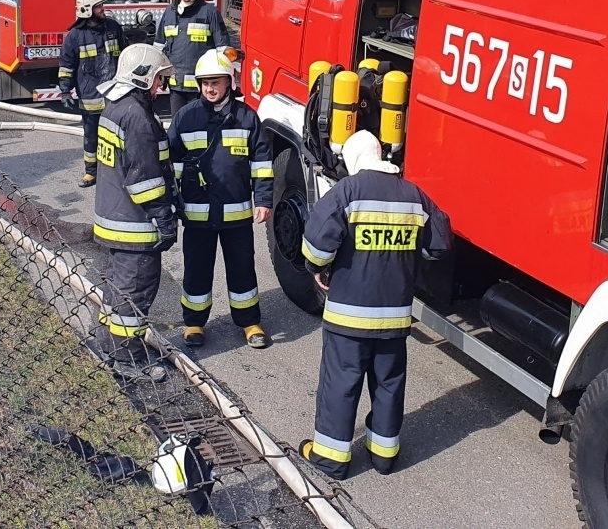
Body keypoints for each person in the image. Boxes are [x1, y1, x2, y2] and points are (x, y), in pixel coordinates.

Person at [299, 131, 453, 480]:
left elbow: (314, 247)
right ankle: (384, 455)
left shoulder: (348, 192)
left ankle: (330, 458)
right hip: (394, 319)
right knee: (388, 383)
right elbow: (439, 245)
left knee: (342, 382)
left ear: (352, 161)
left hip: (349, 318)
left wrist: (318, 269)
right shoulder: (414, 196)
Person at [170, 47, 273, 350]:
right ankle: (193, 324)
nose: (210, 88)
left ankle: (249, 322)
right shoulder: (185, 118)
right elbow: (171, 164)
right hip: (198, 217)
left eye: (216, 82)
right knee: (197, 270)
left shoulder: (246, 118)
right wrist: (174, 204)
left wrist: (264, 199)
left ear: (229, 82)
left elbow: (262, 163)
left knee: (242, 268)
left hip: (237, 217)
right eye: (205, 83)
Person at [91, 43, 179, 382]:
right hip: (135, 226)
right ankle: (128, 360)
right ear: (142, 78)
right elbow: (143, 179)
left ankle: (107, 343)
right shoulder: (138, 117)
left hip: (114, 219)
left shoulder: (116, 106)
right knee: (136, 292)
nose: (163, 86)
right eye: (159, 79)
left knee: (117, 290)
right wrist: (165, 217)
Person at [58, 0, 124, 187]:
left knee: (118, 136)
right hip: (90, 97)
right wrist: (65, 90)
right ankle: (91, 172)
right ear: (87, 10)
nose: (103, 9)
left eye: (102, 5)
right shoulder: (75, 36)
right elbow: (66, 65)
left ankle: (118, 171)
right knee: (91, 137)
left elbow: (124, 54)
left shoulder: (113, 28)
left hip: (114, 95)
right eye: (98, 7)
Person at [155, 0, 228, 115]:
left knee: (200, 128)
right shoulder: (169, 12)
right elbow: (159, 46)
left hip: (201, 87)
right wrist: (159, 75)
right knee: (178, 126)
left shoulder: (210, 13)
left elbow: (222, 50)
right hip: (176, 86)